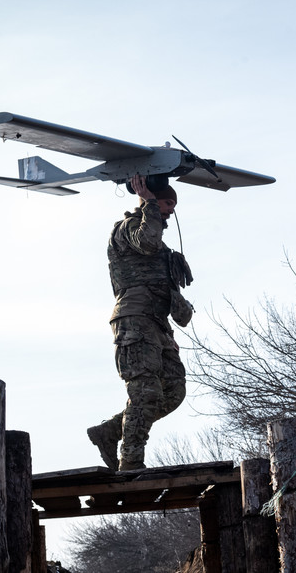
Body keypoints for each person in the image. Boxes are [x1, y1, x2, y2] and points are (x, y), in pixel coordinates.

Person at [87, 174, 194, 471]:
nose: (170, 210)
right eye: (167, 203)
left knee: (173, 391)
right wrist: (148, 202)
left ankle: (110, 431)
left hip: (157, 326)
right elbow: (146, 242)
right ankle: (131, 461)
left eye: (172, 205)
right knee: (145, 392)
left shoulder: (162, 248)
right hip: (133, 321)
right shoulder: (127, 228)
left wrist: (170, 329)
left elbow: (165, 290)